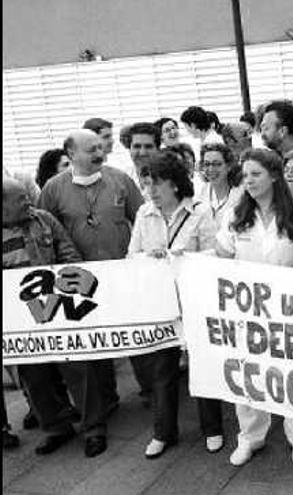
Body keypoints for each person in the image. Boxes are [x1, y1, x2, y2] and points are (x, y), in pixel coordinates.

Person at [38, 128, 145, 457]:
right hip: (79, 285)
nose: (99, 154)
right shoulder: (53, 190)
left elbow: (141, 219)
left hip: (122, 276)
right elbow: (46, 232)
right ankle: (103, 406)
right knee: (93, 345)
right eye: (90, 150)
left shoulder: (121, 181)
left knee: (137, 335)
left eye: (100, 148)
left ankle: (153, 392)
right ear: (70, 154)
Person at [215, 148, 293, 467]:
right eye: (245, 175)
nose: (249, 181)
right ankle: (251, 436)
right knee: (247, 373)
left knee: (291, 373)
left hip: (288, 309)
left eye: (256, 174)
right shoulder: (235, 215)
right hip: (247, 310)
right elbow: (221, 256)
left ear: (274, 175)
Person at [127, 151, 217, 459]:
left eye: (157, 183)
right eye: (146, 183)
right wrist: (148, 257)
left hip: (193, 298)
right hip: (160, 301)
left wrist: (183, 257)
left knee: (202, 363)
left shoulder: (199, 212)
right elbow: (132, 256)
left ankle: (213, 428)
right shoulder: (143, 214)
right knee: (162, 368)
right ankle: (163, 432)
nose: (150, 190)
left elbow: (214, 254)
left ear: (175, 185)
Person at [3, 178, 81, 456]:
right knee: (35, 376)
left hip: (59, 304)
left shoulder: (44, 219)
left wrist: (68, 281)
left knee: (73, 365)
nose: (28, 202)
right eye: (21, 199)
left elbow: (67, 250)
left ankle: (89, 416)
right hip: (20, 318)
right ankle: (57, 427)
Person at [197, 142, 243, 222]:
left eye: (217, 164)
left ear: (228, 166)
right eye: (207, 164)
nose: (211, 169)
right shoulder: (199, 193)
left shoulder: (240, 195)